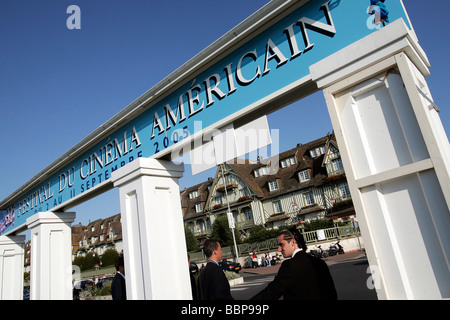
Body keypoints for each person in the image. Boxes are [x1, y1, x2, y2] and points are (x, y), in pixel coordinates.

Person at [251, 228, 337, 300]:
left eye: (281, 245)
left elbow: (271, 292)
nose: (279, 249)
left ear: (293, 242)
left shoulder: (289, 265)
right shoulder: (320, 262)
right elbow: (331, 293)